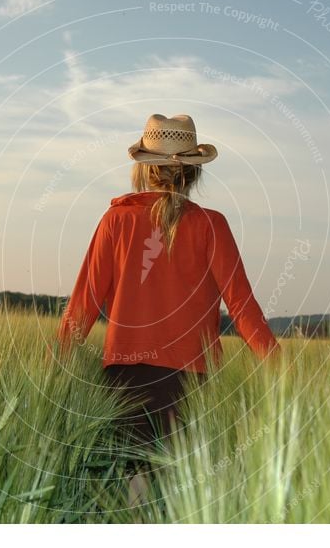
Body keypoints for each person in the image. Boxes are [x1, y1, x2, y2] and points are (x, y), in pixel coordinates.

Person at [56, 114, 282, 505]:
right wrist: (280, 366)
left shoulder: (116, 221)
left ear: (144, 169)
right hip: (189, 385)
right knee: (181, 500)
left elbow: (82, 307)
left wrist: (52, 368)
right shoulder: (212, 226)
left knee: (134, 498)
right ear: (193, 174)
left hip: (124, 382)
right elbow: (243, 308)